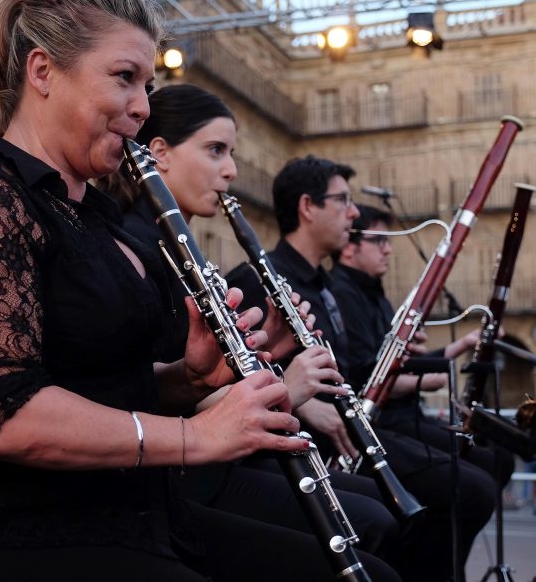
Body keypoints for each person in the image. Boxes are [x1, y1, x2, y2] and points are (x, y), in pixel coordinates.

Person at [0, 0, 395, 581]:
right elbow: (7, 416)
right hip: (14, 534)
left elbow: (100, 381)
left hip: (130, 511)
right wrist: (198, 436)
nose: (142, 106)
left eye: (147, 84)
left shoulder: (92, 217)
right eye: (124, 77)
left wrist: (187, 378)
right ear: (43, 72)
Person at [99, 83, 404, 576]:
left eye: (232, 153)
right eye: (215, 150)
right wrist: (288, 387)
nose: (232, 171)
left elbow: (193, 380)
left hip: (207, 465)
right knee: (372, 529)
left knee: (375, 521)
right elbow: (145, 394)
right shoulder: (137, 246)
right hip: (183, 478)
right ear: (159, 155)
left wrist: (276, 346)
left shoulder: (171, 247)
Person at [225, 155, 495, 581]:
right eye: (343, 201)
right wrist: (297, 398)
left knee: (472, 482)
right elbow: (237, 371)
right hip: (308, 443)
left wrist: (436, 360)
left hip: (350, 433)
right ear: (308, 207)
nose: (354, 213)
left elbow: (354, 372)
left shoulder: (329, 285)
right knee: (460, 494)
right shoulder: (256, 278)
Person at [330, 204, 515, 488]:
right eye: (379, 240)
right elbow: (366, 378)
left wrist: (463, 344)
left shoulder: (374, 294)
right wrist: (422, 382)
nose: (388, 250)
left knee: (498, 459)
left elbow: (396, 364)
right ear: (348, 249)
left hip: (405, 416)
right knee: (480, 479)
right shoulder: (343, 293)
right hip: (385, 422)